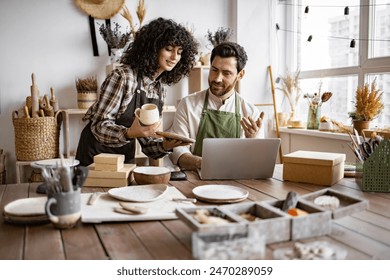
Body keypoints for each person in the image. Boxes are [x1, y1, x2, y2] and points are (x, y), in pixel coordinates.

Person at [76, 17, 199, 167]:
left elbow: (147, 142)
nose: (175, 57)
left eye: (179, 52)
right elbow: (99, 126)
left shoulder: (159, 89)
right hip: (94, 155)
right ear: (152, 48)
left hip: (125, 157)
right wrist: (129, 133)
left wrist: (167, 145)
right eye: (168, 49)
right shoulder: (123, 77)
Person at [169, 41, 264, 171]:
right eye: (214, 70)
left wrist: (253, 141)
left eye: (226, 73)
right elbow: (177, 151)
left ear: (240, 75)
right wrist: (203, 164)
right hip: (195, 180)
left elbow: (257, 162)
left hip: (237, 182)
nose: (217, 78)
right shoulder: (187, 104)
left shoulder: (251, 112)